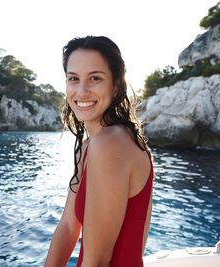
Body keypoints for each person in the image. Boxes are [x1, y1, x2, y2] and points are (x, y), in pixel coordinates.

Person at [44, 36, 154, 267]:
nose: (82, 91)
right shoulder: (89, 146)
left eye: (95, 78)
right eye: (73, 78)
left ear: (115, 86)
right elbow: (68, 225)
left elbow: (98, 261)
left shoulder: (110, 145)